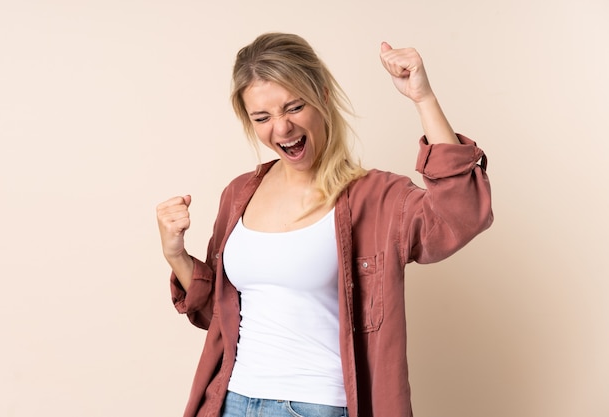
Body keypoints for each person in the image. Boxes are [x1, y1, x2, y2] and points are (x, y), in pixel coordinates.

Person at [156, 32, 493, 417]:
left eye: (294, 107)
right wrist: (176, 254)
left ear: (323, 97)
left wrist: (423, 98)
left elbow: (462, 216)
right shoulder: (238, 194)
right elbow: (214, 312)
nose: (281, 129)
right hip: (231, 400)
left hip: (316, 405)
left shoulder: (377, 197)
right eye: (262, 117)